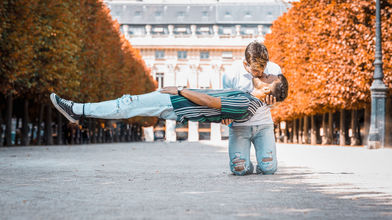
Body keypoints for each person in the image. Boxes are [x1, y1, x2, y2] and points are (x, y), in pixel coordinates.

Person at [50, 75, 288, 129]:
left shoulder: (246, 104)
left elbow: (210, 102)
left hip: (177, 102)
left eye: (268, 77)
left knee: (127, 104)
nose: (264, 73)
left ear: (267, 88)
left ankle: (77, 110)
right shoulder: (248, 101)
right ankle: (79, 110)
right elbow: (221, 113)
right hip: (177, 105)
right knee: (127, 105)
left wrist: (181, 89)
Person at [222, 41, 283, 176]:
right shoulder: (231, 73)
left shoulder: (275, 70)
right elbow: (226, 100)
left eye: (263, 69)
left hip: (264, 124)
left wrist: (274, 102)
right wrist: (226, 115)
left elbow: (278, 100)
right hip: (239, 126)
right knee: (239, 170)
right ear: (246, 64)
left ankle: (263, 165)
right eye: (255, 70)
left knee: (269, 169)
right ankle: (246, 165)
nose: (260, 73)